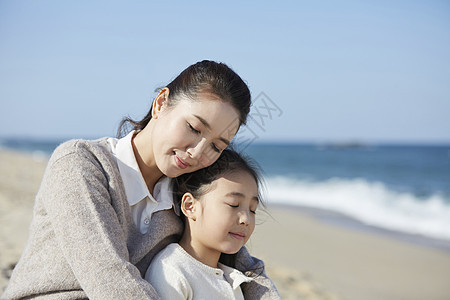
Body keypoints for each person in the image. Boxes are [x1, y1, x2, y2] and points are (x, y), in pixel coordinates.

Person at [2, 60, 278, 299]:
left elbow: (245, 265)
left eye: (216, 147)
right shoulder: (81, 163)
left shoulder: (185, 188)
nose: (197, 153)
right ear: (161, 103)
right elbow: (108, 275)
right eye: (193, 128)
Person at [145, 149, 277, 299]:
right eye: (234, 205)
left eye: (252, 210)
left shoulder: (233, 278)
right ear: (190, 206)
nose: (246, 219)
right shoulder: (171, 272)